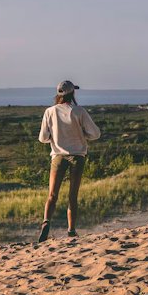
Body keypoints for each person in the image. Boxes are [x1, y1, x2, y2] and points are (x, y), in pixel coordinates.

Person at [37, 80, 101, 242]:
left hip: (58, 155)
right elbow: (95, 134)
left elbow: (43, 138)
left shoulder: (49, 112)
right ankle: (71, 230)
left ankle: (46, 221)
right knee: (73, 195)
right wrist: (82, 135)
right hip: (77, 155)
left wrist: (55, 138)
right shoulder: (79, 111)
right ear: (72, 93)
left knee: (52, 194)